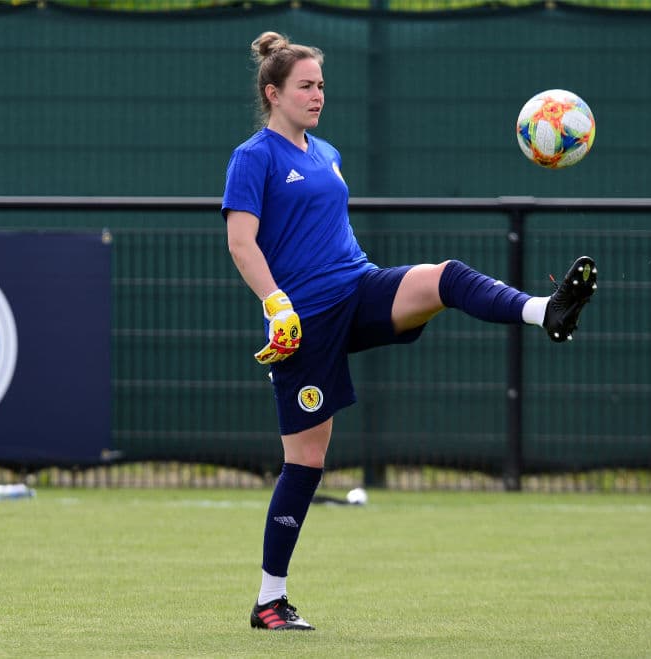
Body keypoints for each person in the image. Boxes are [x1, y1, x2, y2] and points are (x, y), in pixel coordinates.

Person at [221, 31, 597, 632]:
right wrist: (276, 304)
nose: (318, 95)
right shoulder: (254, 157)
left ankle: (544, 311)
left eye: (321, 85)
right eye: (306, 86)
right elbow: (242, 243)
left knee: (446, 277)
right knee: (306, 462)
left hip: (358, 287)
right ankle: (270, 601)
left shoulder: (326, 152)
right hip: (303, 321)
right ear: (274, 93)